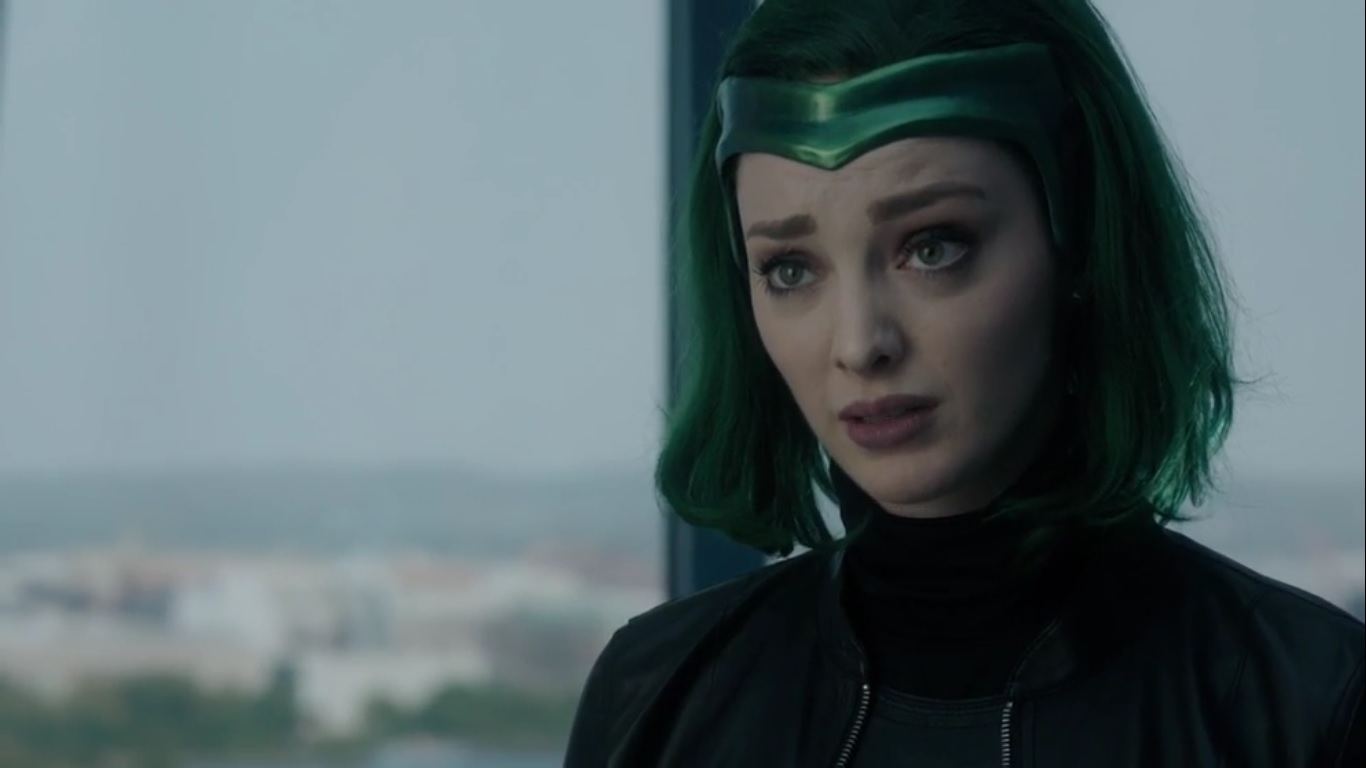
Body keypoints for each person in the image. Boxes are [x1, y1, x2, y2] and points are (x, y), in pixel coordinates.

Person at [565, 0, 1365, 765]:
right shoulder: (654, 698)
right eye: (791, 269)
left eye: (933, 247)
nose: (859, 344)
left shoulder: (1310, 706)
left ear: (1081, 241)